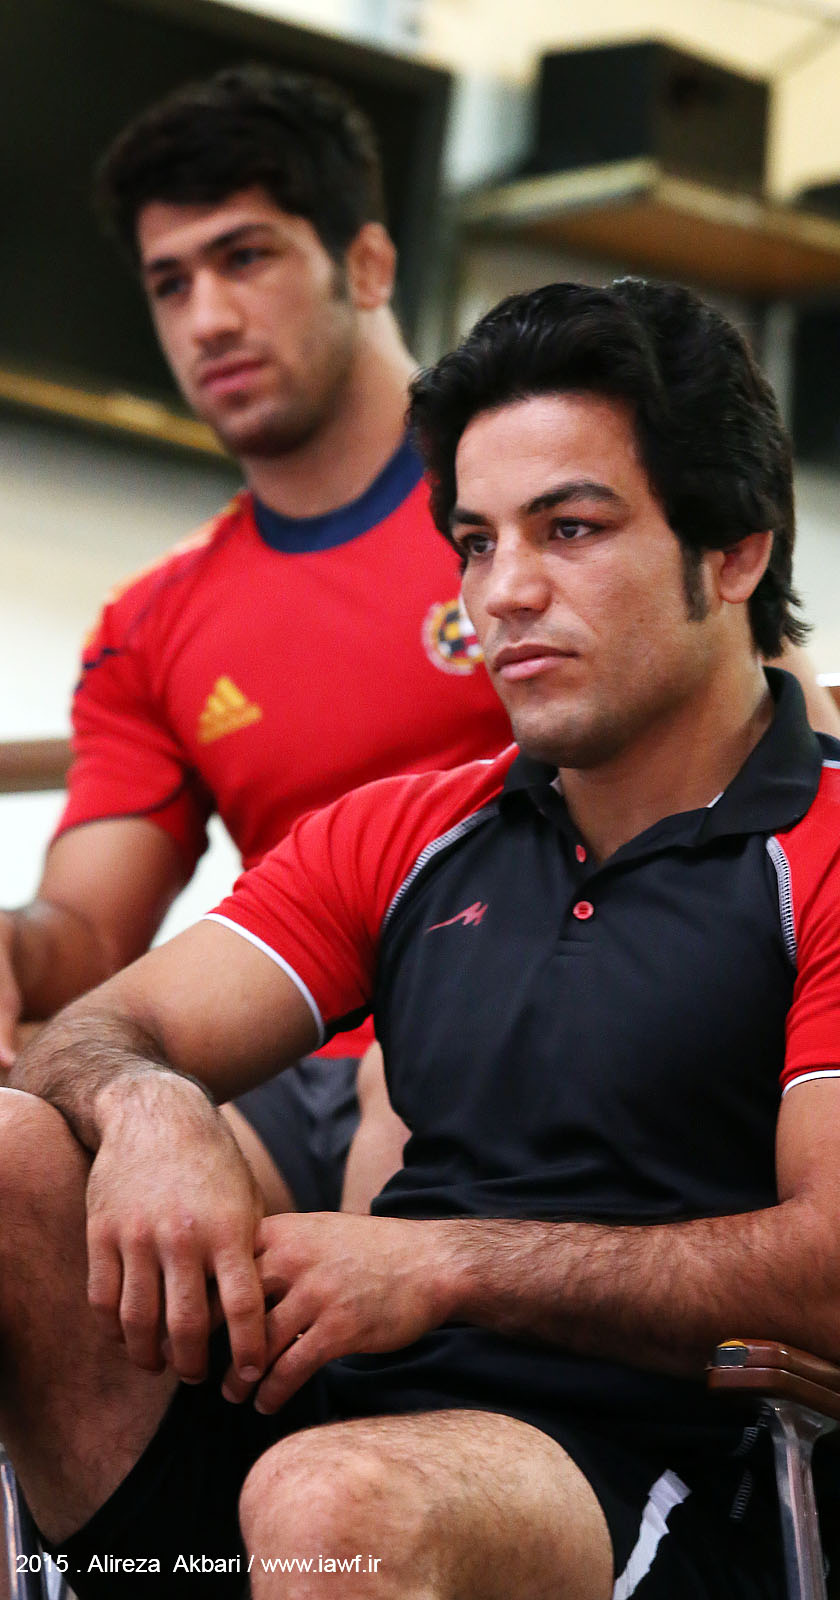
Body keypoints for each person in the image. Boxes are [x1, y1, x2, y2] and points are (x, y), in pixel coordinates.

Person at [2, 278, 840, 1600]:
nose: (504, 593)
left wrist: (442, 1266)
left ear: (734, 552)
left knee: (330, 1500)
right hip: (331, 1441)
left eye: (570, 528)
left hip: (655, 1471)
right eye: (475, 542)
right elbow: (102, 1030)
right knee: (12, 1151)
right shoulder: (407, 830)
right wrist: (156, 1113)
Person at [0, 64, 511, 1211]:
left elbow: (805, 775)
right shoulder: (150, 622)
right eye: (170, 283)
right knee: (20, 1153)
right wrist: (13, 947)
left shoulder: (550, 501)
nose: (209, 319)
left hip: (556, 1027)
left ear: (366, 265)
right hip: (288, 1065)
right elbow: (88, 932)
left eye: (245, 257)